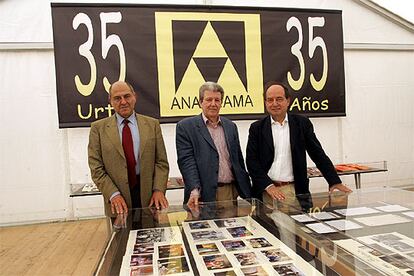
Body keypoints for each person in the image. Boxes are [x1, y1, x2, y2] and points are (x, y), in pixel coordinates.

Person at [246, 81, 351, 207]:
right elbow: (252, 162)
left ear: (288, 100)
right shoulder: (256, 128)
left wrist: (334, 181)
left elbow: (318, 154)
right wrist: (268, 186)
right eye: (270, 100)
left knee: (298, 227)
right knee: (267, 226)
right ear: (265, 102)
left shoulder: (302, 124)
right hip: (266, 193)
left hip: (295, 192)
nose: (274, 103)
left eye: (279, 99)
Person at [88, 81, 169, 218]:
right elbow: (96, 168)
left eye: (127, 96)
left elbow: (161, 163)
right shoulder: (98, 129)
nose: (123, 101)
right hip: (117, 199)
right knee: (121, 239)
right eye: (117, 98)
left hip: (149, 198)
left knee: (151, 237)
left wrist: (158, 189)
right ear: (110, 101)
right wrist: (113, 194)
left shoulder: (152, 125)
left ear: (134, 97)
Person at [176, 81, 251, 207]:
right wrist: (194, 190)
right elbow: (186, 162)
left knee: (232, 226)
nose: (213, 104)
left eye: (217, 100)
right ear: (201, 102)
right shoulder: (185, 127)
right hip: (202, 195)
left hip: (229, 192)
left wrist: (246, 189)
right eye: (209, 99)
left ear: (221, 102)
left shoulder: (231, 126)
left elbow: (238, 159)